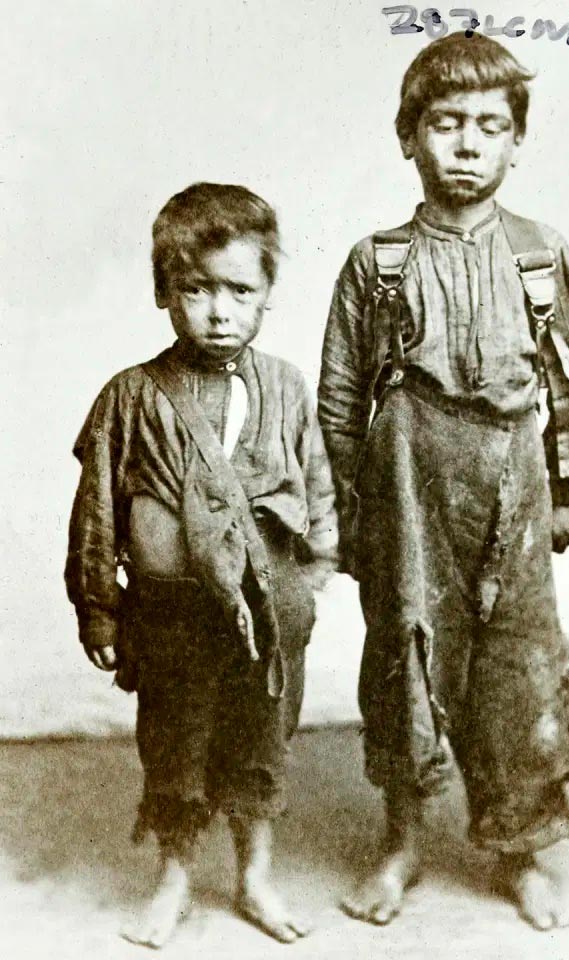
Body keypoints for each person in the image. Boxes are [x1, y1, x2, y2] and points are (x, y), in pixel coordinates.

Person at [318, 33, 569, 931]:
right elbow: (336, 401)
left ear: (518, 141)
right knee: (407, 653)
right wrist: (348, 514)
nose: (468, 144)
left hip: (513, 483)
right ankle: (402, 841)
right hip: (406, 481)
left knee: (515, 665)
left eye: (490, 125)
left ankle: (517, 849)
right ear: (410, 137)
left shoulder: (540, 256)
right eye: (446, 124)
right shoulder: (379, 263)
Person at [65, 182, 337, 948]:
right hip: (172, 617)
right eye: (196, 289)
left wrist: (307, 582)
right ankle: (176, 879)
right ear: (164, 292)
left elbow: (317, 485)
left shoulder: (284, 387)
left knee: (260, 738)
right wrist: (98, 604)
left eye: (239, 290)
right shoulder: (131, 397)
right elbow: (97, 514)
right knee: (177, 743)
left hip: (267, 619)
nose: (219, 310)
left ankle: (255, 877)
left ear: (267, 296)